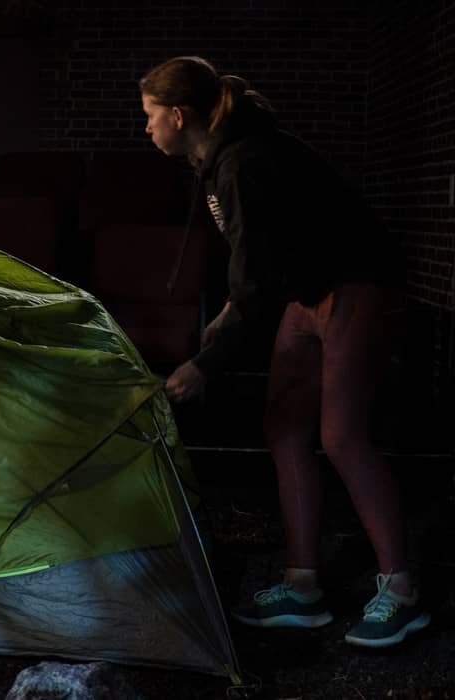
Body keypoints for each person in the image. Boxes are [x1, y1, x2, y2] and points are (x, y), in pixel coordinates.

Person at [139, 56, 426, 648]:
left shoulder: (244, 160)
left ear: (177, 114)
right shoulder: (218, 161)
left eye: (149, 116)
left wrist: (204, 366)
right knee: (285, 425)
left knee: (342, 435)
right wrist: (226, 314)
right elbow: (259, 265)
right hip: (307, 289)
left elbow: (258, 282)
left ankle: (402, 592)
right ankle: (303, 588)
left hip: (354, 282)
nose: (145, 128)